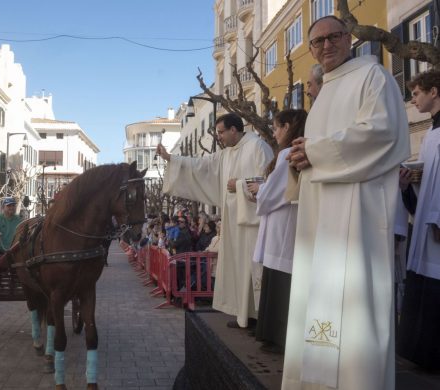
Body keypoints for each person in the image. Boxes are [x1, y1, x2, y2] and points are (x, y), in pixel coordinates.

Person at [282, 15, 410, 390]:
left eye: (333, 37)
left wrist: (315, 153)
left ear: (349, 38)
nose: (325, 46)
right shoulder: (323, 94)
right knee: (316, 293)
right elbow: (315, 153)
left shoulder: (373, 77)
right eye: (317, 42)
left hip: (358, 215)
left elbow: (382, 133)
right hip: (321, 213)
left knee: (355, 300)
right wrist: (301, 160)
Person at [156, 112, 274, 329]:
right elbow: (200, 165)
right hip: (233, 220)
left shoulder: (258, 147)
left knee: (255, 267)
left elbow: (268, 182)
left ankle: (261, 317)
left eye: (221, 132)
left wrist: (238, 184)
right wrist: (170, 158)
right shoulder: (225, 154)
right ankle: (244, 314)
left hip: (254, 221)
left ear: (234, 129)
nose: (218, 136)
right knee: (238, 267)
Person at [247, 109, 307, 352]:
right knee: (278, 279)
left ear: (287, 127)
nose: (273, 132)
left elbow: (273, 193)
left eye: (276, 127)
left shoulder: (286, 154)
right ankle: (273, 334)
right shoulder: (291, 152)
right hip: (284, 220)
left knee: (281, 282)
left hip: (283, 223)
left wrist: (257, 191)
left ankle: (279, 337)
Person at [397, 70, 440, 371]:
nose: (413, 98)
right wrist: (406, 186)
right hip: (426, 220)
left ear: (434, 91)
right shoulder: (432, 133)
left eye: (417, 92)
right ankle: (421, 354)